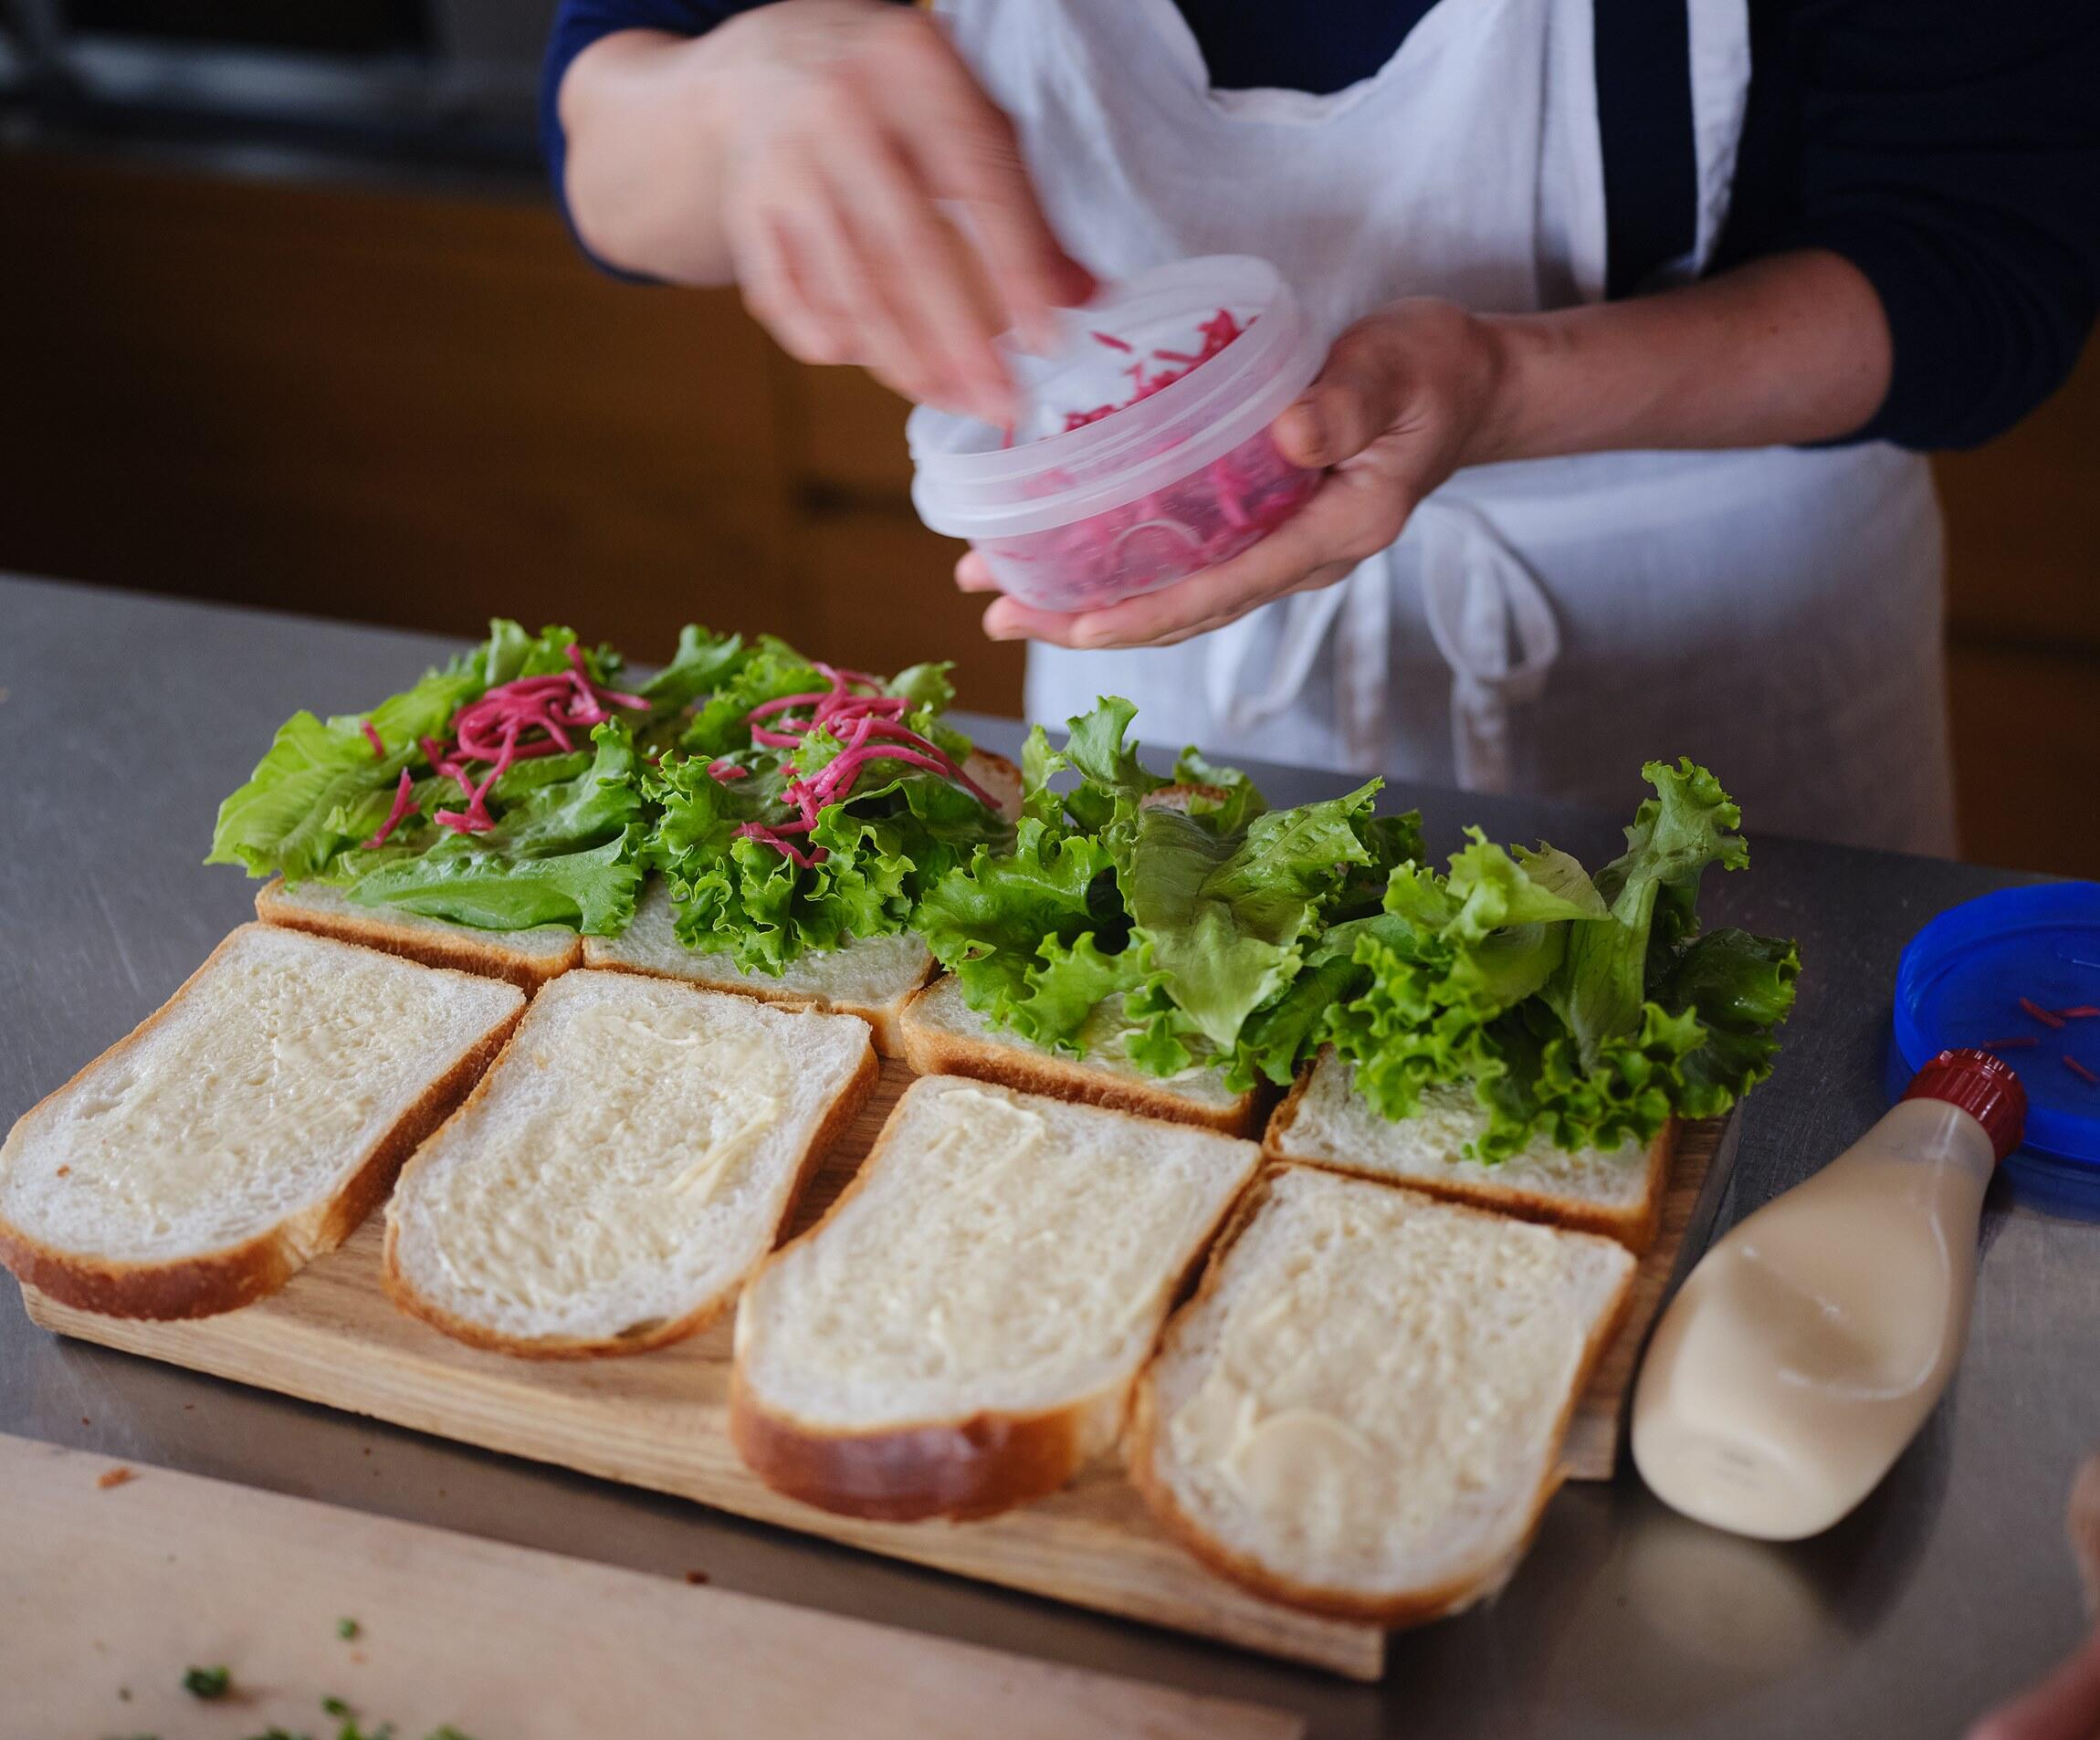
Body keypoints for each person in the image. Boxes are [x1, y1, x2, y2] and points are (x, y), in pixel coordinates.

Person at [543, 0, 2100, 853]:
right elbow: (612, 157)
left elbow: (1978, 273)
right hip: (1165, 635)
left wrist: (1505, 383)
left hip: (1731, 636)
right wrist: (725, 101)